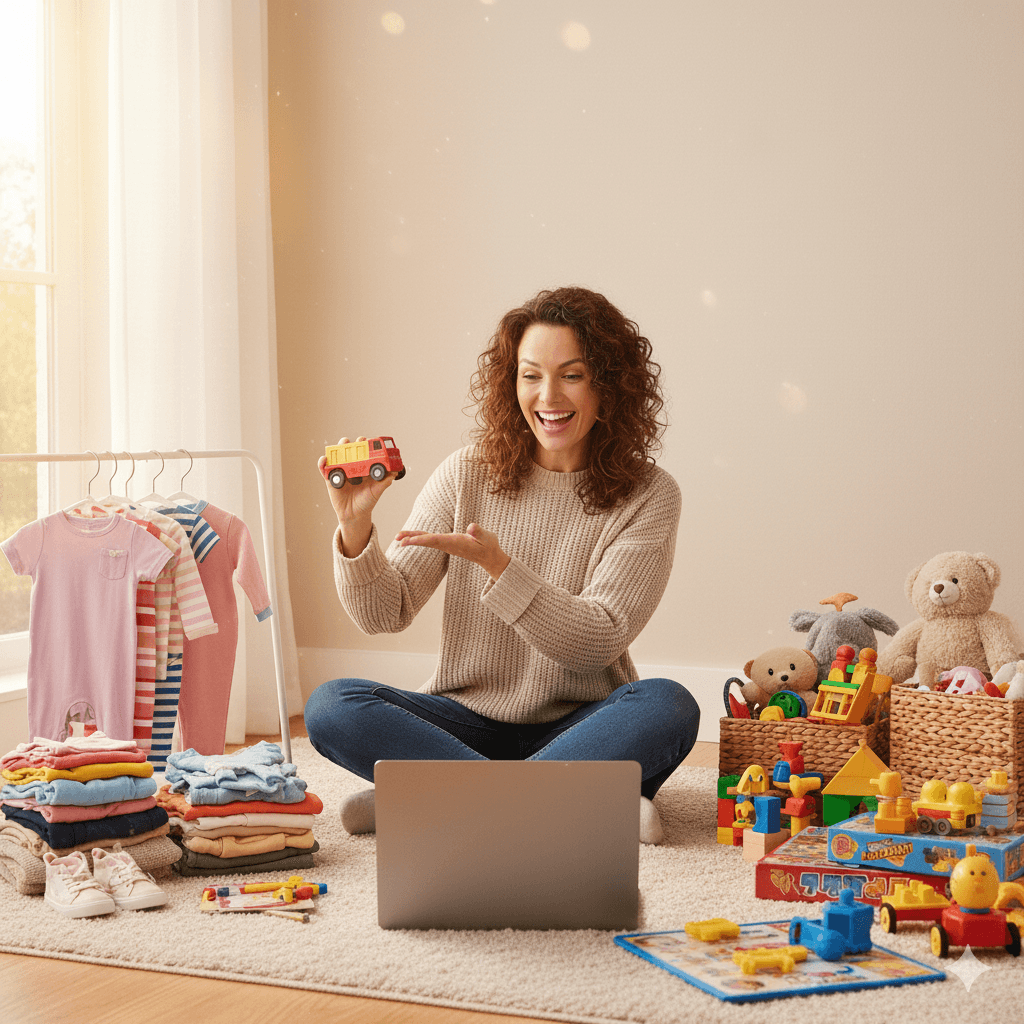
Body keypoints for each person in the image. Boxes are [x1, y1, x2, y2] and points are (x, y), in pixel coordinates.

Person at [304, 286, 700, 844]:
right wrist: (354, 526)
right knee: (332, 705)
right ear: (510, 382)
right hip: (465, 722)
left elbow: (597, 640)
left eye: (573, 375)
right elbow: (384, 613)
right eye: (530, 374)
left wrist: (501, 569)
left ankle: (436, 798)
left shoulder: (650, 494)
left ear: (609, 388)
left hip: (580, 725)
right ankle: (574, 805)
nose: (548, 395)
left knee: (669, 706)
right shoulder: (467, 472)